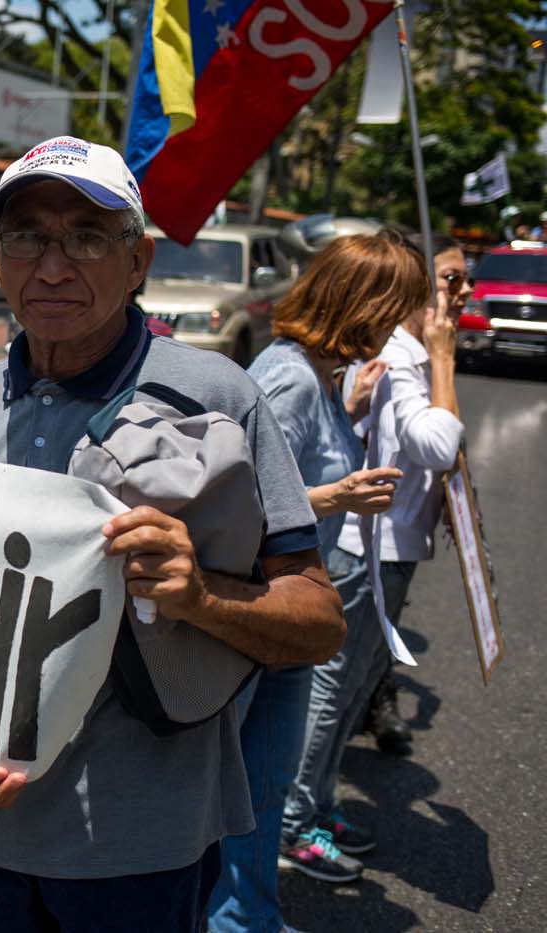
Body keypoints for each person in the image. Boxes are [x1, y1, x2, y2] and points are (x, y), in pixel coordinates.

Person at [0, 136, 345, 933]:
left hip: (143, 844)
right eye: (29, 236)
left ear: (139, 260)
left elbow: (319, 617)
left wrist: (202, 596)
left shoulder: (220, 394)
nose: (53, 266)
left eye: (86, 236)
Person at [207, 232, 428, 932]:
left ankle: (249, 917)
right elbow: (240, 497)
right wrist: (340, 496)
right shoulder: (292, 375)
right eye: (391, 312)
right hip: (266, 612)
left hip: (293, 617)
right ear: (356, 305)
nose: (395, 331)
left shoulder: (323, 375)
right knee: (241, 792)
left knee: (264, 791)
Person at [280, 237, 466, 882]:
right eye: (444, 284)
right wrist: (442, 361)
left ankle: (314, 808)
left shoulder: (342, 370)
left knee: (350, 690)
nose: (456, 297)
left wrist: (350, 411)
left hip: (360, 552)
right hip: (338, 562)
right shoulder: (308, 373)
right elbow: (249, 502)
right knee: (328, 693)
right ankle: (290, 825)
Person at [358, 235, 473, 755]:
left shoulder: (419, 349)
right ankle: (300, 818)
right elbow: (435, 447)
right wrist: (443, 360)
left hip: (400, 533)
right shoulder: (404, 355)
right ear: (419, 288)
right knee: (343, 677)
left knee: (363, 661)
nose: (465, 289)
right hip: (379, 537)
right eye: (452, 279)